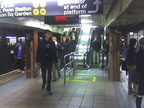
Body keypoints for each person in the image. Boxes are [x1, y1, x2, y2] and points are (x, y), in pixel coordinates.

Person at [36, 30, 57, 95]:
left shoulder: (52, 43)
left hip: (49, 60)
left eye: (50, 34)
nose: (50, 35)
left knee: (49, 75)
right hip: (43, 61)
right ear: (45, 34)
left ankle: (49, 88)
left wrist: (55, 61)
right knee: (44, 73)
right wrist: (38, 61)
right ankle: (44, 82)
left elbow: (54, 52)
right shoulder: (41, 43)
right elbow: (38, 52)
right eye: (48, 34)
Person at [135, 37, 144, 108]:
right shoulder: (140, 53)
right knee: (140, 93)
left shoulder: (138, 52)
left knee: (140, 93)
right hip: (142, 76)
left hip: (141, 75)